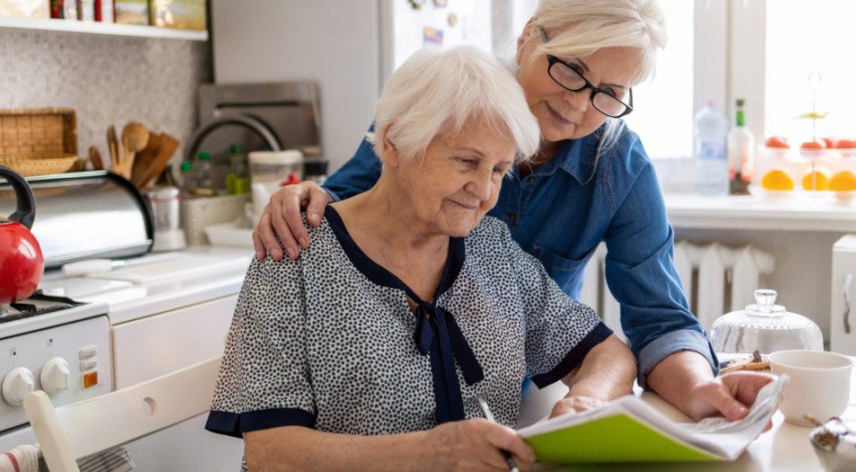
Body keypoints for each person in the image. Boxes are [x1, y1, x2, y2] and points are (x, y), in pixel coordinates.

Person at [252, 0, 773, 422]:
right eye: (572, 69)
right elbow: (343, 207)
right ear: (529, 38)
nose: (579, 105)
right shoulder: (445, 103)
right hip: (388, 397)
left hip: (511, 397)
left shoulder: (618, 165)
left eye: (609, 94)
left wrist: (703, 388)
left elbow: (659, 319)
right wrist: (302, 196)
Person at [206, 46, 636, 470]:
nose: (484, 191)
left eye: (499, 170)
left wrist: (587, 402)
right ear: (393, 143)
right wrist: (430, 455)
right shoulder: (294, 253)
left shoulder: (492, 247)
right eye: (467, 161)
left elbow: (609, 354)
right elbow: (271, 454)